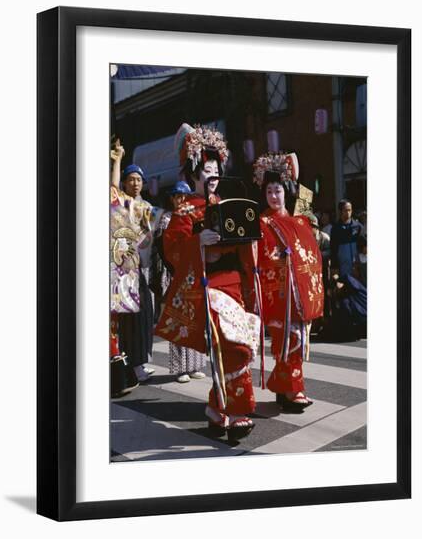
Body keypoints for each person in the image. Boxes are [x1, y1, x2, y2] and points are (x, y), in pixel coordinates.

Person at [155, 123, 261, 441]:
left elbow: (248, 247)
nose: (212, 176)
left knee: (236, 347)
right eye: (206, 170)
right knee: (231, 346)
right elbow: (173, 249)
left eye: (216, 170)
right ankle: (237, 409)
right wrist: (198, 241)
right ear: (194, 174)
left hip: (233, 285)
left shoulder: (230, 205)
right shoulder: (185, 212)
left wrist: (251, 240)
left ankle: (218, 409)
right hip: (208, 286)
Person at [254, 152, 324, 412]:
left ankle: (284, 389)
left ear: (286, 192)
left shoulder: (299, 221)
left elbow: (311, 253)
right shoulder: (261, 223)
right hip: (277, 293)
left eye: (278, 191)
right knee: (289, 341)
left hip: (299, 293)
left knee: (297, 341)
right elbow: (259, 257)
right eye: (270, 191)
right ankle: (293, 390)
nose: (274, 196)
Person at [110, 139, 163, 383]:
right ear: (125, 183)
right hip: (123, 268)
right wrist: (118, 160)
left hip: (140, 266)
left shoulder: (146, 206)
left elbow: (148, 236)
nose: (136, 182)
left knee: (145, 314)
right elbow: (113, 187)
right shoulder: (121, 202)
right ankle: (133, 364)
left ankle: (139, 361)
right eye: (131, 179)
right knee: (131, 318)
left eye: (139, 179)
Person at [152, 181, 206, 383]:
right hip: (174, 270)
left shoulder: (196, 212)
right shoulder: (167, 218)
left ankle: (195, 364)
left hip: (194, 269)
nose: (181, 200)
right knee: (178, 318)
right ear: (172, 198)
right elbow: (165, 247)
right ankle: (179, 368)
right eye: (177, 196)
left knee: (195, 316)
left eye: (183, 196)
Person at [330, 199, 363, 278]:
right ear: (340, 211)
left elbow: (363, 246)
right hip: (343, 268)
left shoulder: (358, 226)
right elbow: (333, 250)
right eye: (345, 210)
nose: (348, 213)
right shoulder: (335, 229)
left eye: (350, 210)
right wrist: (335, 269)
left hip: (358, 267)